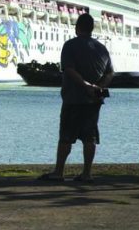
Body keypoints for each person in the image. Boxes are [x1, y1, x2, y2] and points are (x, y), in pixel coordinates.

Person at [39, 13, 114, 183]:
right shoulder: (102, 48)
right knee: (90, 137)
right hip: (94, 100)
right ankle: (87, 173)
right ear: (92, 28)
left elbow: (69, 70)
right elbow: (110, 72)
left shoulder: (70, 45)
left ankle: (58, 172)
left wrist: (86, 86)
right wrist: (98, 87)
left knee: (66, 136)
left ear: (77, 27)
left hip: (73, 99)